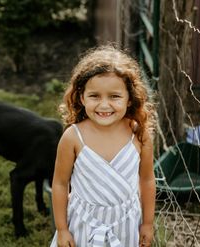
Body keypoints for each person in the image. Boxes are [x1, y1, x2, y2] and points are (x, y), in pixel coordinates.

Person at [50, 45, 156, 247]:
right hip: (83, 224)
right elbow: (60, 184)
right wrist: (62, 229)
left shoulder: (139, 134)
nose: (104, 105)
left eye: (114, 96)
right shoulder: (73, 137)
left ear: (129, 98)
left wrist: (148, 223)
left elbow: (147, 179)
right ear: (82, 97)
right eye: (95, 96)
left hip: (126, 224)